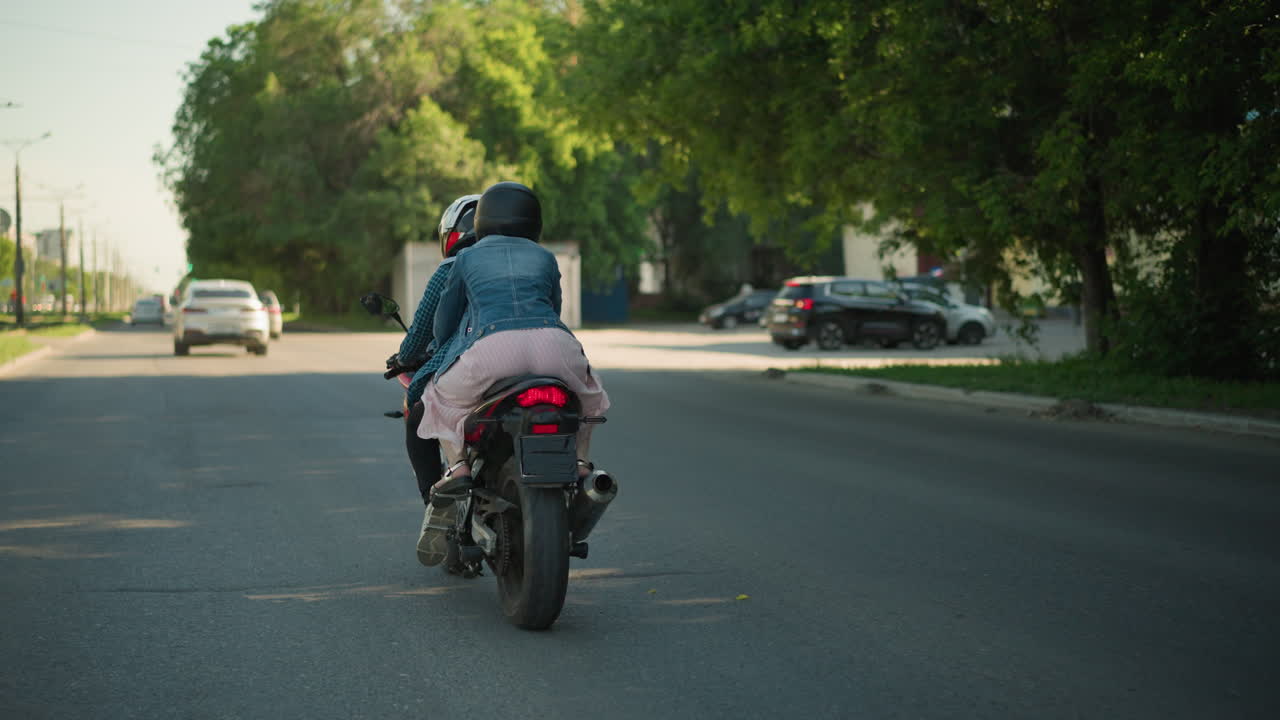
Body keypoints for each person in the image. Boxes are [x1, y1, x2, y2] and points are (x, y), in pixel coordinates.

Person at [414, 181, 610, 563]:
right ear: (533, 221)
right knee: (587, 398)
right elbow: (553, 305)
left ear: (482, 220)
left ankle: (457, 468)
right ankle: (582, 463)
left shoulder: (467, 258)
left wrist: (441, 348)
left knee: (437, 396)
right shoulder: (545, 257)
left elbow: (445, 319)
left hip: (493, 350)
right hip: (555, 346)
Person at [396, 193, 480, 566]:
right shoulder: (534, 260)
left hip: (477, 366)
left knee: (420, 413)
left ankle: (437, 506)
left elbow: (430, 329)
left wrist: (405, 359)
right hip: (545, 359)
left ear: (452, 235)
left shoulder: (453, 267)